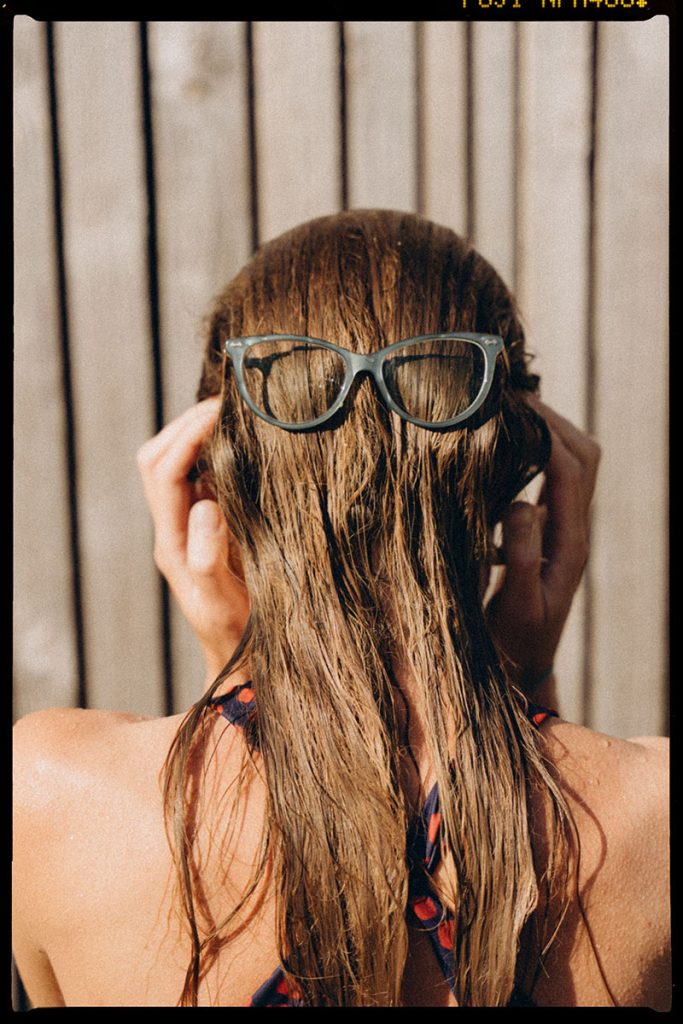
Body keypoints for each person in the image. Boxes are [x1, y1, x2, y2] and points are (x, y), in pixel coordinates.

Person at [12, 210, 669, 1008]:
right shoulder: (654, 819)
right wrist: (525, 676)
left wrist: (238, 667)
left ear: (209, 476)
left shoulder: (50, 796)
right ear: (522, 467)